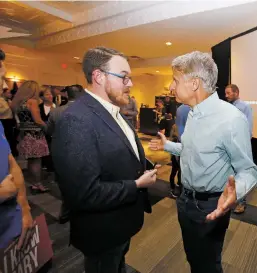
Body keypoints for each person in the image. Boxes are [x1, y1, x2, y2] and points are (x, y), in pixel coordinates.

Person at [149, 51, 257, 273]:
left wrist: (235, 193)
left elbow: (249, 170)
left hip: (211, 205)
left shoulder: (231, 119)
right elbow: (195, 150)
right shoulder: (192, 113)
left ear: (193, 84)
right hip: (185, 200)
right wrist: (168, 147)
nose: (171, 87)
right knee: (194, 258)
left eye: (175, 80)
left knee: (208, 265)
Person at [52, 47, 159, 273]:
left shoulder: (112, 111)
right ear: (98, 76)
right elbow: (84, 193)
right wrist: (137, 185)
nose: (130, 84)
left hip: (120, 223)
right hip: (102, 232)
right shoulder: (76, 120)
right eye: (124, 77)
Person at [0, 50, 33, 250]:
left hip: (10, 227)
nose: (5, 86)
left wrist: (25, 209)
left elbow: (12, 163)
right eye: (1, 79)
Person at [46, 84, 84, 224]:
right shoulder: (87, 111)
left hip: (60, 151)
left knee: (64, 181)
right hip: (81, 152)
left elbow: (49, 131)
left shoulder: (56, 112)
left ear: (67, 95)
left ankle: (66, 211)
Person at [11, 81, 50, 194]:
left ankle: (34, 183)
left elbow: (18, 122)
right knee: (37, 161)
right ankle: (39, 184)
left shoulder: (18, 103)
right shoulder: (32, 102)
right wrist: (47, 127)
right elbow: (37, 120)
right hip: (35, 135)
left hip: (24, 134)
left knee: (31, 161)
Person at [225, 84, 254, 214]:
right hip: (228, 145)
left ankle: (241, 203)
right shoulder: (228, 107)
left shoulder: (245, 107)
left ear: (236, 92)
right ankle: (230, 199)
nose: (226, 96)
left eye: (228, 93)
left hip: (240, 147)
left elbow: (248, 129)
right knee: (230, 176)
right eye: (225, 93)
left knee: (241, 176)